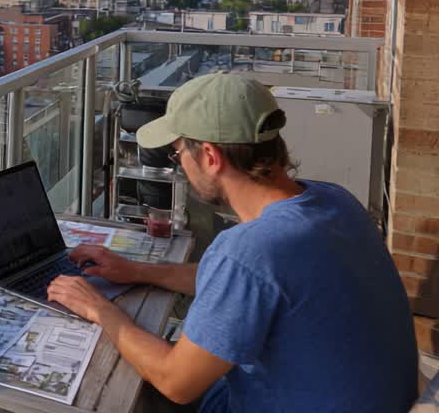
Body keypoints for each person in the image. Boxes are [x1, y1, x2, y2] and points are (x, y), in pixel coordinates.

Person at [46, 72, 416, 412]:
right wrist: (136, 270)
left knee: (114, 389)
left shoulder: (251, 250)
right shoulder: (333, 201)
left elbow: (178, 382)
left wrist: (97, 308)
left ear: (210, 157)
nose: (179, 166)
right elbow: (253, 286)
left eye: (177, 154)